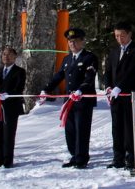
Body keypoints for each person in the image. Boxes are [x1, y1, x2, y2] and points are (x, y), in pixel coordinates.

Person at [39, 28, 98, 169]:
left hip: (82, 100)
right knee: (70, 130)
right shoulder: (67, 59)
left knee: (81, 130)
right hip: (69, 101)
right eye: (70, 42)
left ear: (82, 41)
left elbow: (89, 78)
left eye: (75, 41)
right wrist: (46, 89)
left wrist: (80, 90)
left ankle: (81, 158)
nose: (72, 44)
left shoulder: (89, 57)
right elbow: (59, 76)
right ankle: (74, 155)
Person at [103, 21, 135, 169]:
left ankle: (132, 159)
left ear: (129, 34)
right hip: (115, 97)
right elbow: (108, 70)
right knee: (117, 128)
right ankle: (118, 158)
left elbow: (132, 72)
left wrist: (120, 87)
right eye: (116, 36)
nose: (119, 39)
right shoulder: (114, 51)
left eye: (122, 35)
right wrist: (108, 86)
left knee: (130, 128)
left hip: (130, 96)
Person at [0, 46, 26, 169]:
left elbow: (19, 88)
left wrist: (8, 95)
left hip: (10, 108)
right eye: (3, 54)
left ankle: (8, 160)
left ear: (15, 57)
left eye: (8, 54)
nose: (5, 57)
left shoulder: (20, 71)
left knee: (8, 135)